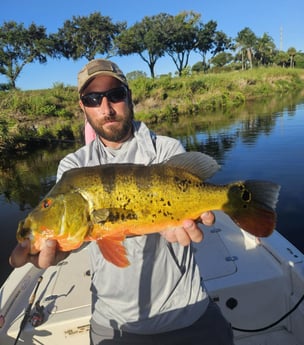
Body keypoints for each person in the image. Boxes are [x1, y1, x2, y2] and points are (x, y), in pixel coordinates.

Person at [10, 59, 234, 345]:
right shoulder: (73, 167)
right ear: (82, 107)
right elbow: (86, 233)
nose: (106, 108)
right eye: (93, 99)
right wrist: (60, 251)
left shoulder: (166, 149)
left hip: (188, 311)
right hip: (115, 325)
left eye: (114, 94)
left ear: (129, 96)